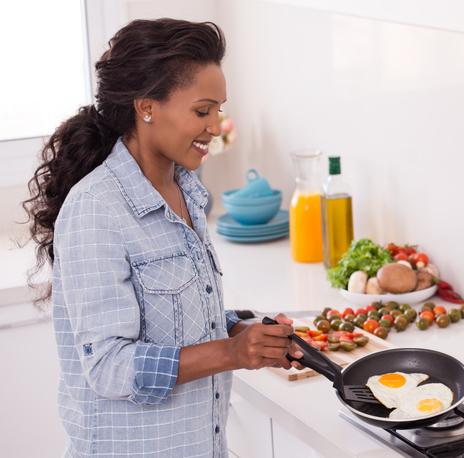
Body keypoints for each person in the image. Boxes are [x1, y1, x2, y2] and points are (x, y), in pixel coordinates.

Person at [23, 18, 302, 457]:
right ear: (147, 106)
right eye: (201, 110)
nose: (215, 126)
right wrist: (230, 352)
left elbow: (171, 317)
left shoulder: (186, 191)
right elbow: (109, 367)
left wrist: (240, 330)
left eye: (218, 111)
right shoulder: (96, 208)